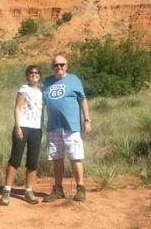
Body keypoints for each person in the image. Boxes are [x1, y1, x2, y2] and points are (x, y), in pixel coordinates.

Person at [42, 55, 92, 202]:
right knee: (56, 159)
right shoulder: (47, 82)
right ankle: (58, 190)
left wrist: (87, 120)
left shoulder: (74, 80)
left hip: (71, 126)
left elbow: (83, 100)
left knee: (75, 157)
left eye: (62, 65)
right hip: (53, 126)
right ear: (52, 67)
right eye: (56, 65)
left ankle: (80, 189)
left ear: (67, 66)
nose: (59, 68)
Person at [0, 65, 44, 206]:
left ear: (39, 76)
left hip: (36, 129)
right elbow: (18, 108)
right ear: (27, 75)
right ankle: (6, 190)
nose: (34, 74)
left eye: (36, 73)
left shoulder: (41, 92)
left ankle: (28, 191)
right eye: (31, 72)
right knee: (15, 159)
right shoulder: (23, 89)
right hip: (23, 127)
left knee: (32, 161)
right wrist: (18, 127)